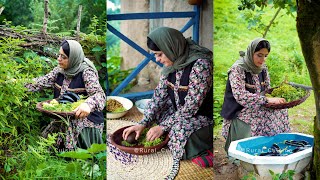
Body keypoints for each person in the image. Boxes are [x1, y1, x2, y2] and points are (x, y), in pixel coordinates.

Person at [122, 27, 214, 168]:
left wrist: (163, 126)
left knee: (177, 132)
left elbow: (191, 108)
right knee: (155, 115)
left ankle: (203, 147)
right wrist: (143, 123)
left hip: (201, 115)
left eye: (159, 54)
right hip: (180, 111)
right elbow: (159, 96)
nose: (158, 59)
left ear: (171, 47)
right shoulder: (173, 63)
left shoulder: (201, 66)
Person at [26, 40, 106, 151]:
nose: (59, 59)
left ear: (73, 58)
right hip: (64, 116)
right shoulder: (60, 71)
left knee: (78, 156)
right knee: (44, 147)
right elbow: (40, 82)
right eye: (59, 55)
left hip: (85, 120)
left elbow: (100, 95)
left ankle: (75, 154)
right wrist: (17, 83)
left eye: (63, 57)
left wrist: (88, 104)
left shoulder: (86, 72)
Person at [221, 38, 291, 152]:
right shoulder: (238, 69)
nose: (263, 59)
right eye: (259, 55)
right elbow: (240, 96)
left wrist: (274, 98)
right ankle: (254, 150)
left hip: (258, 104)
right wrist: (266, 101)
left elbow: (267, 90)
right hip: (240, 110)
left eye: (265, 56)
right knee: (261, 117)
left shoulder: (262, 69)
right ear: (251, 52)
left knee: (280, 110)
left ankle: (276, 145)